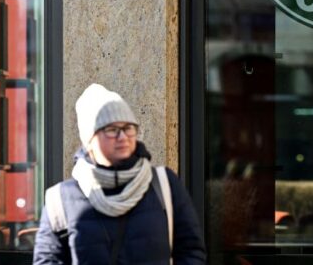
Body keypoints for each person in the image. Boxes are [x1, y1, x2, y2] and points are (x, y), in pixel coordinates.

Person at [33, 84, 206, 264]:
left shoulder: (163, 184)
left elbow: (190, 250)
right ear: (89, 140)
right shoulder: (61, 200)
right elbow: (47, 260)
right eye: (111, 129)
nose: (123, 137)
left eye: (127, 127)